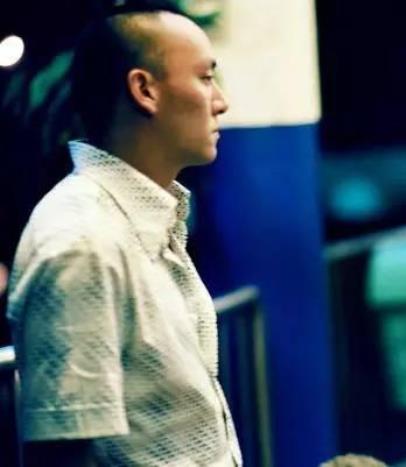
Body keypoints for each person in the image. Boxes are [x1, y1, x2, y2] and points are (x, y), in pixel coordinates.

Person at [7, 2, 240, 466]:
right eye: (204, 78)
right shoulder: (82, 240)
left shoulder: (140, 220)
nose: (220, 101)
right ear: (144, 90)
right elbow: (61, 452)